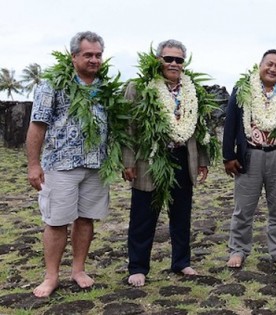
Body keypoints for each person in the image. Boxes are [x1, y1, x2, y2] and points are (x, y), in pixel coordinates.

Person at [26, 31, 119, 297]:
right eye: (88, 54)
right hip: (60, 165)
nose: (94, 59)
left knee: (86, 219)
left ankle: (78, 269)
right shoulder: (52, 85)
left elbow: (116, 127)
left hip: (96, 165)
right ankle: (51, 276)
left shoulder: (105, 87)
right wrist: (33, 165)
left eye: (98, 55)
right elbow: (37, 125)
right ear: (74, 56)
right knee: (56, 221)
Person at [122, 39, 216, 286]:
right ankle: (138, 267)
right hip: (150, 159)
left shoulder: (191, 89)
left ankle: (181, 262)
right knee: (143, 214)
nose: (174, 63)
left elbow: (200, 128)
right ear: (158, 60)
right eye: (169, 58)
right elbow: (129, 128)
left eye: (179, 60)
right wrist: (128, 162)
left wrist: (202, 161)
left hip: (183, 157)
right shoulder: (139, 87)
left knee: (182, 213)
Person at [223, 49, 276, 267]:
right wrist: (228, 156)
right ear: (260, 65)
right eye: (269, 64)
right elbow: (230, 123)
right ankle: (238, 250)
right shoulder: (243, 90)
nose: (273, 69)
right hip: (250, 155)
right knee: (244, 208)